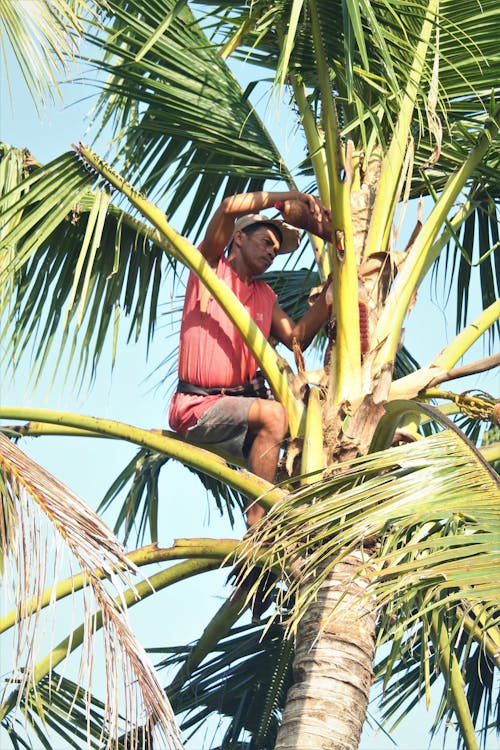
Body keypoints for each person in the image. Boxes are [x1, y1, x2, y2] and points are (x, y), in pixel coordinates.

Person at [169, 190, 332, 528]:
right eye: (266, 241)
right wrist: (287, 199)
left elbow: (297, 338)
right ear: (239, 238)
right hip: (198, 408)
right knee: (274, 415)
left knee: (311, 415)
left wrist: (333, 293)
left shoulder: (263, 294)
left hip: (242, 409)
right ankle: (259, 524)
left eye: (276, 248)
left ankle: (296, 523)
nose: (272, 251)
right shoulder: (211, 268)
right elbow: (228, 206)